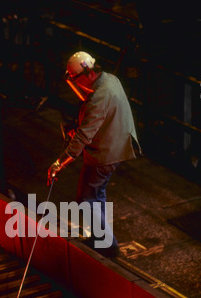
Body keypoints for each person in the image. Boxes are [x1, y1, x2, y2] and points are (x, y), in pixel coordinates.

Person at [47, 51, 141, 258]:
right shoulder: (110, 79)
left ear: (85, 74)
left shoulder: (98, 97)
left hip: (105, 154)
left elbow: (83, 137)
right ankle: (102, 238)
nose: (76, 85)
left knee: (86, 199)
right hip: (116, 145)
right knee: (97, 196)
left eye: (75, 80)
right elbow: (100, 119)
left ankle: (108, 245)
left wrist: (58, 163)